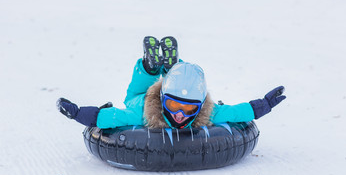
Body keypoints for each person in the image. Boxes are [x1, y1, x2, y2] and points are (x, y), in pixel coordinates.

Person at [57, 36, 286, 129]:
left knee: (183, 78)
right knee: (135, 92)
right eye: (175, 106)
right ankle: (151, 67)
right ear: (164, 101)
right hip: (143, 99)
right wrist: (78, 113)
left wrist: (263, 105)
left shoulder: (207, 114)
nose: (179, 115)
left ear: (199, 107)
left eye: (188, 109)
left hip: (167, 92)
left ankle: (170, 68)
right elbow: (105, 117)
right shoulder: (142, 113)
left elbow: (236, 113)